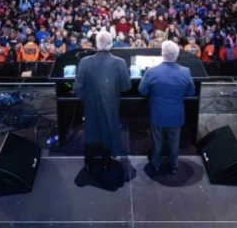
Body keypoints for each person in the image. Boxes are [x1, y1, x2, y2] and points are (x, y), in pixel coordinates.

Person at [73, 31, 132, 172]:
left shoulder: (84, 62)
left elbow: (77, 88)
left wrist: (88, 100)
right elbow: (126, 86)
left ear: (97, 45)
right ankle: (106, 162)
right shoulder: (120, 63)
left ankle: (89, 162)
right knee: (108, 129)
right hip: (111, 105)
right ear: (111, 44)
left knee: (91, 131)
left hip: (91, 105)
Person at [138, 40, 195, 174]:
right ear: (176, 55)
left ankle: (156, 163)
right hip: (176, 114)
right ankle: (174, 165)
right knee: (174, 141)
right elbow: (191, 92)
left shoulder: (151, 71)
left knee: (157, 140)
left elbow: (142, 91)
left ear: (162, 54)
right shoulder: (185, 71)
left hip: (157, 113)